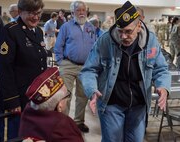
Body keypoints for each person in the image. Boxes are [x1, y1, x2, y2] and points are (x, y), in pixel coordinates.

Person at [79, 1, 171, 142]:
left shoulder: (150, 41)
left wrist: (163, 87)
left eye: (128, 31)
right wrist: (92, 89)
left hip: (138, 106)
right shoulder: (105, 41)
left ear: (139, 26)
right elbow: (89, 70)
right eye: (120, 31)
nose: (123, 36)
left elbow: (161, 69)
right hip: (111, 104)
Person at [0, 0, 48, 141]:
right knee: (12, 138)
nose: (36, 17)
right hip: (15, 100)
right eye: (31, 13)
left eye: (38, 13)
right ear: (20, 12)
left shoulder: (38, 32)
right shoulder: (11, 30)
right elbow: (4, 68)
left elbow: (41, 65)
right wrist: (12, 101)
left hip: (33, 100)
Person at [54, 0, 96, 133]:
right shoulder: (66, 27)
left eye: (83, 10)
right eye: (78, 10)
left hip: (86, 67)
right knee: (65, 95)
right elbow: (58, 45)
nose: (82, 12)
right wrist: (61, 62)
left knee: (82, 96)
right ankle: (63, 123)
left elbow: (95, 46)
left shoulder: (91, 27)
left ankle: (79, 122)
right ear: (72, 12)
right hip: (68, 65)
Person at [19, 67, 84, 142]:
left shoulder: (27, 112)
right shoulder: (62, 125)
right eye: (67, 95)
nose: (68, 98)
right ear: (60, 106)